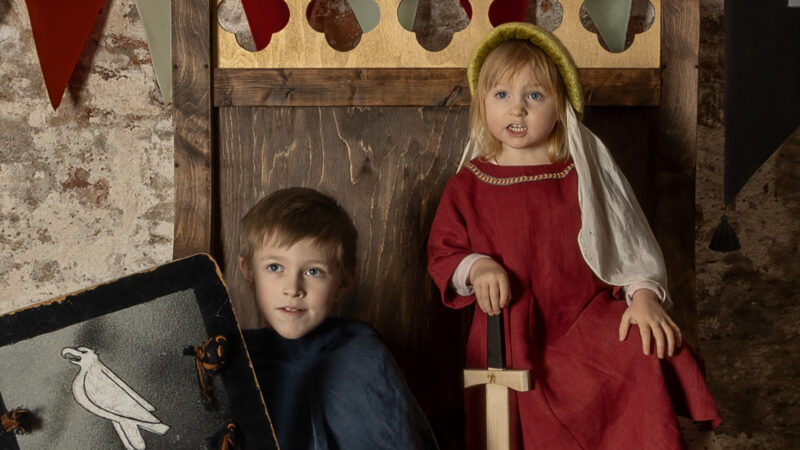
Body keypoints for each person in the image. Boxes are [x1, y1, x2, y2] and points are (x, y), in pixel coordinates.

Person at [427, 23, 721, 449]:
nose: (518, 110)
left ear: (560, 103)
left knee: (638, 346)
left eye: (535, 95)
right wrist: (477, 266)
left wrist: (642, 296)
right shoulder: (468, 185)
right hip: (510, 335)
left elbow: (626, 242)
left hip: (582, 322)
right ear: (481, 103)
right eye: (502, 95)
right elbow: (444, 252)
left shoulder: (581, 173)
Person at [239, 187, 439, 450]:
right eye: (275, 267)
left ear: (345, 281)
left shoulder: (363, 360)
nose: (293, 288)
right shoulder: (232, 358)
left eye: (313, 271)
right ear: (249, 272)